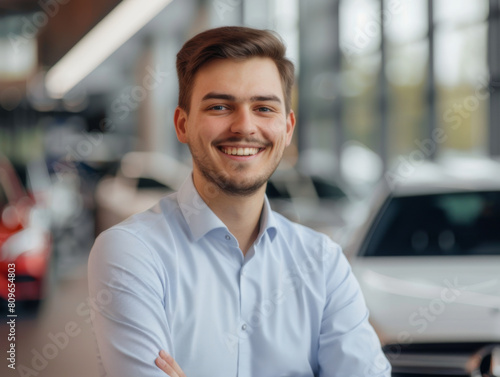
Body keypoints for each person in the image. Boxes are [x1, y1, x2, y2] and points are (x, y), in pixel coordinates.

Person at [88, 26, 391, 377]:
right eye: (220, 106)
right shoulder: (132, 252)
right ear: (183, 124)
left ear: (287, 128)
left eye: (263, 108)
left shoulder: (323, 263)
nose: (245, 126)